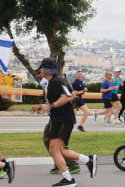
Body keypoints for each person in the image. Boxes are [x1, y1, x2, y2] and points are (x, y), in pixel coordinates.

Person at [39, 57, 97, 187]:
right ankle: (87, 161)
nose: (40, 69)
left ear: (47, 69)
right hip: (59, 119)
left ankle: (69, 179)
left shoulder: (57, 81)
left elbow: (68, 97)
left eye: (42, 67)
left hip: (63, 120)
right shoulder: (53, 81)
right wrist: (47, 106)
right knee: (59, 150)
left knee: (54, 150)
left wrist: (51, 106)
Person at [32, 68, 81, 175]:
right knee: (50, 141)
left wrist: (48, 106)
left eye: (39, 73)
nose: (37, 75)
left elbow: (68, 95)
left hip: (60, 117)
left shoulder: (51, 81)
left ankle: (73, 163)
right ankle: (60, 163)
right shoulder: (47, 81)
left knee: (55, 143)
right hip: (55, 116)